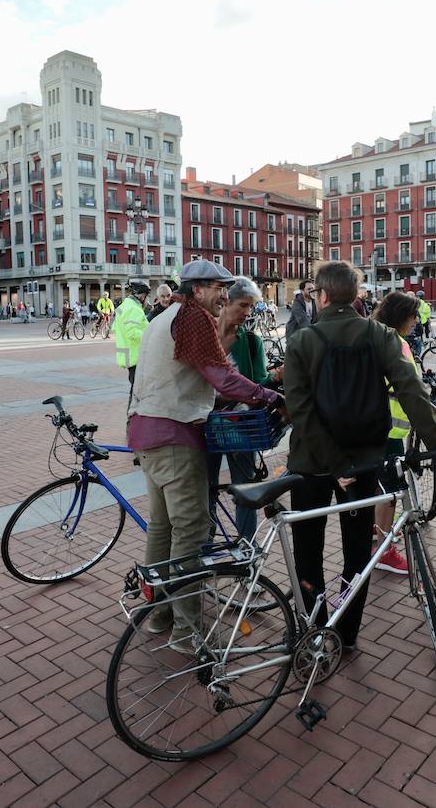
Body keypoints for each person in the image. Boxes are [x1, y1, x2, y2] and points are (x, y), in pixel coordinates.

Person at [283, 261, 436, 651]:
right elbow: (413, 394)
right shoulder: (381, 336)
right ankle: (345, 634)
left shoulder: (302, 342)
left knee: (307, 549)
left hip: (312, 463)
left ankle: (311, 628)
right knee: (356, 550)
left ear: (322, 296)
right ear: (356, 295)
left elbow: (300, 410)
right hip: (363, 460)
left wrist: (331, 462)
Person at [129, 260, 284, 654]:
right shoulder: (193, 317)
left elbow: (193, 378)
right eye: (219, 288)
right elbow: (222, 378)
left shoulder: (164, 317)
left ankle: (159, 615)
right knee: (192, 532)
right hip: (175, 436)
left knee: (162, 528)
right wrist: (270, 396)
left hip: (147, 433)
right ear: (198, 289)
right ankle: (188, 632)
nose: (224, 296)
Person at [208, 277, 274, 541]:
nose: (248, 312)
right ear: (225, 302)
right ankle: (207, 545)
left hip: (241, 425)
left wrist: (275, 379)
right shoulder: (206, 337)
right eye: (243, 305)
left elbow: (258, 382)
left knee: (245, 491)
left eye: (251, 306)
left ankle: (247, 550)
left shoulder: (251, 342)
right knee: (206, 490)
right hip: (206, 425)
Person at [371, 291, 424, 575]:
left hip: (372, 424)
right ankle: (385, 550)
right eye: (413, 315)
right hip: (390, 428)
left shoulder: (375, 336)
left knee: (378, 486)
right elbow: (409, 385)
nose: (416, 320)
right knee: (390, 493)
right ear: (401, 316)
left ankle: (377, 533)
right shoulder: (398, 344)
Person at [114, 281, 151, 387]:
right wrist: (150, 334)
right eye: (146, 296)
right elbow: (132, 333)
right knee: (139, 393)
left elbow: (115, 328)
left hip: (129, 356)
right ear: (142, 296)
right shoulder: (134, 309)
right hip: (136, 357)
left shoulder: (123, 307)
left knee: (135, 391)